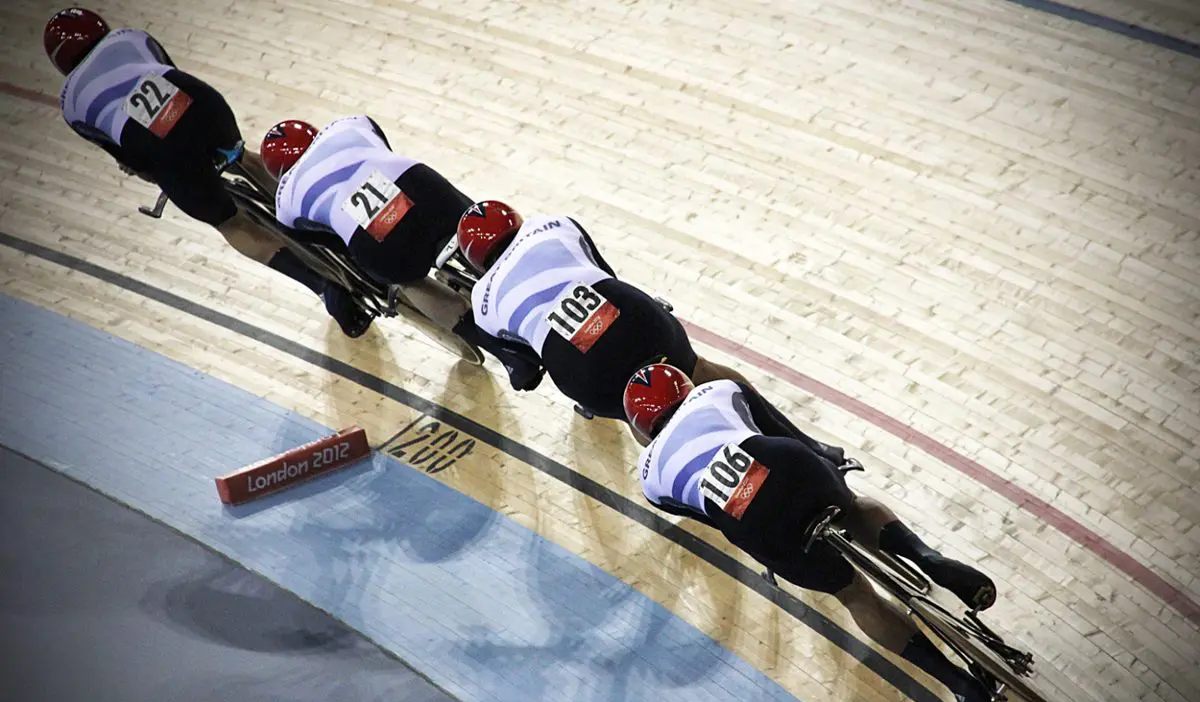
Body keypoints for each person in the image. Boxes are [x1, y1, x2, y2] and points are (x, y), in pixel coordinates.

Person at [624, 363, 1000, 702]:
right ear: (684, 386)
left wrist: (768, 548)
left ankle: (960, 684)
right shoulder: (715, 390)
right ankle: (928, 560)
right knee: (852, 507)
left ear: (640, 428)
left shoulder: (649, 478)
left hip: (750, 521)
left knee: (854, 595)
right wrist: (827, 460)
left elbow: (710, 517)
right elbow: (784, 432)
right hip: (787, 464)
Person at [44, 7, 367, 337]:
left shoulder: (70, 103)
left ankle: (324, 288)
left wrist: (160, 176)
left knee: (228, 222)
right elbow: (169, 70)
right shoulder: (129, 36)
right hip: (197, 102)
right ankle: (342, 231)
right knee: (241, 156)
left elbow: (125, 155)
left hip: (156, 146)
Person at [261, 117, 543, 382]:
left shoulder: (285, 203)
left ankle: (507, 355)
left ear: (278, 173)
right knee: (474, 227)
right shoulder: (349, 123)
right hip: (423, 190)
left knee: (407, 283)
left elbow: (331, 241)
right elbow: (385, 148)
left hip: (375, 241)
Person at [454, 200, 749, 414]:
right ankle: (766, 417)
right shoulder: (550, 223)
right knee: (698, 369)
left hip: (581, 369)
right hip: (629, 314)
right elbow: (605, 271)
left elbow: (522, 369)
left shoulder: (482, 298)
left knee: (644, 416)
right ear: (514, 219)